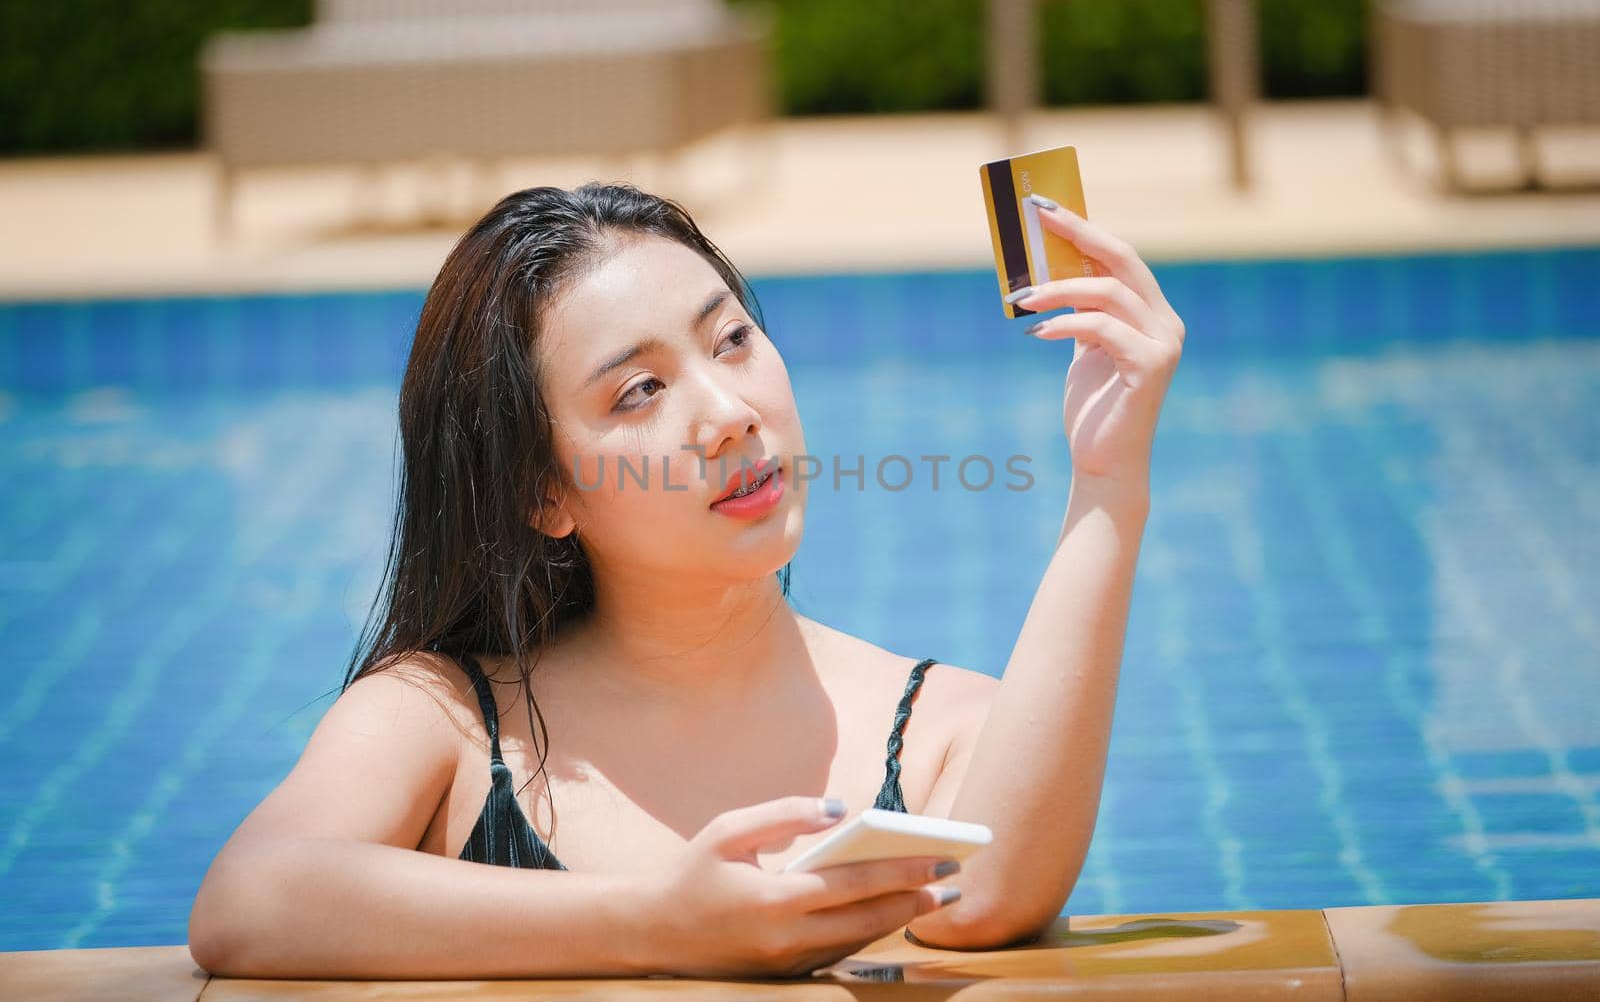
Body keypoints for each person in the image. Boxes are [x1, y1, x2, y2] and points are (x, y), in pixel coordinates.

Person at [187, 182, 1184, 981]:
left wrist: (1105, 486)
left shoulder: (940, 728)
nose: (728, 412)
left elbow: (989, 898)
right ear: (542, 492)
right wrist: (656, 919)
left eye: (732, 338)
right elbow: (246, 901)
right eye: (640, 390)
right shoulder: (443, 720)